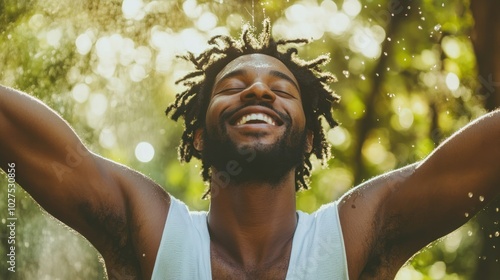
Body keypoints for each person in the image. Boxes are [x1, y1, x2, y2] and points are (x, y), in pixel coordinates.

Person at [1, 19, 499, 280]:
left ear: (308, 138)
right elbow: (24, 138)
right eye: (234, 84)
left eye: (281, 88)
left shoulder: (353, 236)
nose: (258, 91)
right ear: (197, 136)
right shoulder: (151, 229)